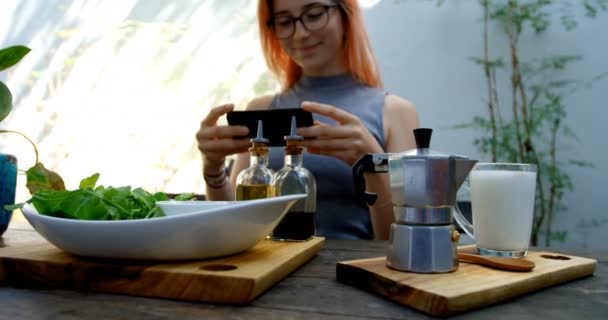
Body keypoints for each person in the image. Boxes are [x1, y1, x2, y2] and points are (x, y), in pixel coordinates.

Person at [196, 0, 419, 240]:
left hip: (352, 273)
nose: (300, 33)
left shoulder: (395, 112)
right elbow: (234, 227)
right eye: (284, 22)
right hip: (268, 271)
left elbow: (406, 242)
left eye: (313, 15)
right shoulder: (262, 108)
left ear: (346, 14)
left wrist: (372, 167)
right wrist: (213, 168)